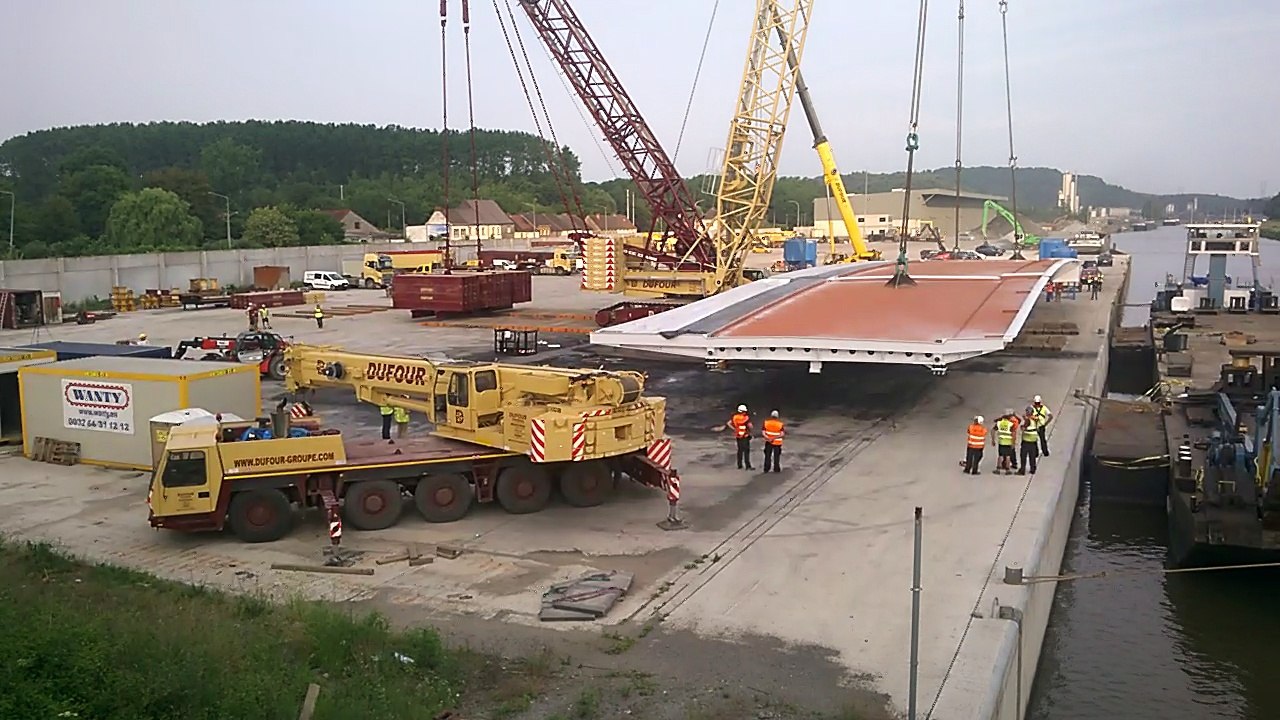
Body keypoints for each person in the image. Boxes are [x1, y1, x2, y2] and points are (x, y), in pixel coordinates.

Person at [727, 404, 754, 470]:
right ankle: (748, 465)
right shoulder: (746, 418)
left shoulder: (735, 417)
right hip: (745, 435)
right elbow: (750, 426)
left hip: (738, 435)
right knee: (746, 451)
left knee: (740, 450)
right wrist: (750, 431)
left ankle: (739, 465)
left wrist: (734, 429)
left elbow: (728, 423)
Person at [992, 409, 1017, 475]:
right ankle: (1007, 470)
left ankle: (998, 469)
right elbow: (1013, 434)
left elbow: (993, 430)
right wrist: (1013, 443)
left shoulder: (999, 423)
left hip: (1001, 442)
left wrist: (993, 440)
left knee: (1000, 456)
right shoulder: (1010, 424)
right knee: (1008, 456)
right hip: (1008, 442)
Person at [1018, 410, 1040, 475]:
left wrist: (1022, 427)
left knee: (1023, 456)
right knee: (1032, 456)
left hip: (1026, 440)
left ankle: (1022, 470)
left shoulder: (1028, 421)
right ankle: (1033, 469)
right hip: (1033, 440)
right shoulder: (1036, 419)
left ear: (1028, 413)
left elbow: (1024, 428)